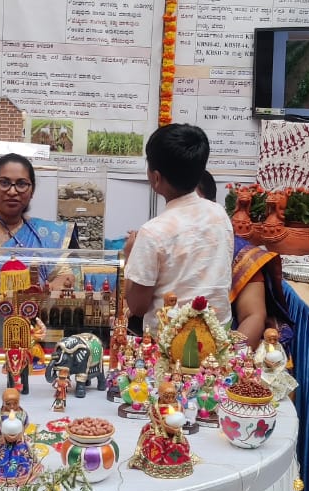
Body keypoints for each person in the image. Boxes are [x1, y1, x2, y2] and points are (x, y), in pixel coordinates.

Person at [123, 124, 234, 337]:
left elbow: (137, 306)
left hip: (168, 348)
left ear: (156, 177)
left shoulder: (153, 232)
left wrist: (130, 257)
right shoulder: (220, 216)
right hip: (217, 341)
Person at [196, 170, 296, 349]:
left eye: (193, 206)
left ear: (212, 205)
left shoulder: (240, 253)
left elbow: (253, 316)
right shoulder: (162, 243)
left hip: (223, 349)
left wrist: (227, 363)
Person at [0, 153, 78, 290]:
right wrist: (12, 294)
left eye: (21, 184)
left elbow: (64, 275)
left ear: (32, 190)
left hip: (38, 309)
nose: (12, 191)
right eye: (4, 183)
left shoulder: (41, 232)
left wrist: (50, 289)